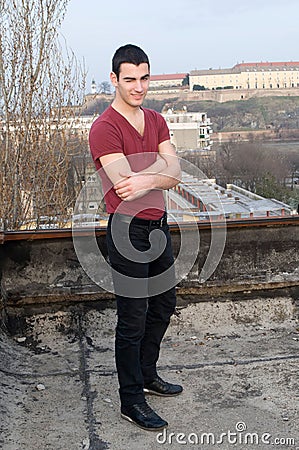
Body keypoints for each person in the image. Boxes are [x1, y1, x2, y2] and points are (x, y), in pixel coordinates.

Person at [89, 44, 182, 431]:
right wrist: (159, 170)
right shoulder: (104, 128)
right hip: (127, 230)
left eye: (144, 78)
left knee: (163, 306)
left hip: (158, 226)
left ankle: (147, 373)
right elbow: (125, 187)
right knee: (132, 319)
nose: (139, 87)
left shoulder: (157, 120)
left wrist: (151, 175)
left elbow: (176, 174)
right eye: (130, 79)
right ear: (115, 79)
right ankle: (131, 400)